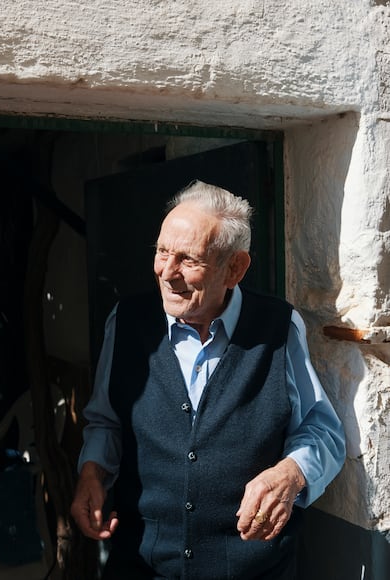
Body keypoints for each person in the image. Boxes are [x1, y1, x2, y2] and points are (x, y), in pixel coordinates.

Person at [71, 180, 346, 579]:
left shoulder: (277, 326)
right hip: (142, 567)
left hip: (254, 570)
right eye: (162, 251)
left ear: (235, 268)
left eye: (188, 259)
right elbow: (107, 421)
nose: (167, 272)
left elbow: (322, 431)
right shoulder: (127, 322)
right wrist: (92, 473)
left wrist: (291, 473)